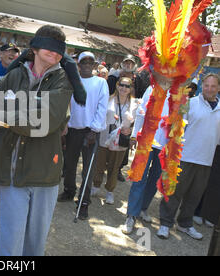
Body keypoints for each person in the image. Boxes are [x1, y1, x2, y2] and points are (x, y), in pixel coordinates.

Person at [0, 25, 73, 256]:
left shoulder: (63, 81)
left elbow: (45, 117)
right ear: (35, 47)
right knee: (10, 237)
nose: (54, 53)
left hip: (44, 172)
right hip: (12, 171)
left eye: (59, 49)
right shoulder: (14, 75)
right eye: (49, 46)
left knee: (35, 243)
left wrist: (1, 117)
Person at [157, 73, 220, 240]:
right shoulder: (189, 103)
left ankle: (185, 224)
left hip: (206, 160)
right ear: (201, 86)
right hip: (184, 157)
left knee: (195, 195)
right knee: (174, 192)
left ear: (218, 88)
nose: (209, 89)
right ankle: (165, 223)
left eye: (213, 86)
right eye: (206, 85)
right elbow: (176, 128)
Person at [58, 51, 109, 221]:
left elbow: (102, 108)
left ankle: (84, 202)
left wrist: (94, 130)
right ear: (78, 65)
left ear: (95, 65)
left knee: (88, 169)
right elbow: (64, 104)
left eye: (90, 62)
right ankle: (69, 190)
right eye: (83, 62)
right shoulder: (71, 80)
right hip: (72, 130)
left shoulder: (101, 82)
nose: (87, 65)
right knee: (69, 165)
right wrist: (64, 128)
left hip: (90, 132)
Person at [122, 85, 170, 234]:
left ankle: (143, 208)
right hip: (147, 139)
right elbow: (141, 113)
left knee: (155, 178)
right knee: (139, 177)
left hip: (165, 144)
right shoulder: (152, 87)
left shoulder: (179, 91)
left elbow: (182, 119)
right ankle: (131, 215)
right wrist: (134, 135)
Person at [92, 76, 138, 205]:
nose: (124, 88)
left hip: (121, 139)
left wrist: (131, 131)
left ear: (130, 89)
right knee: (100, 163)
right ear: (117, 85)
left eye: (127, 86)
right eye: (121, 85)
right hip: (105, 136)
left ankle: (110, 191)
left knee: (114, 166)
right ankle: (96, 185)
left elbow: (138, 121)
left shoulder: (134, 104)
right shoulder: (108, 99)